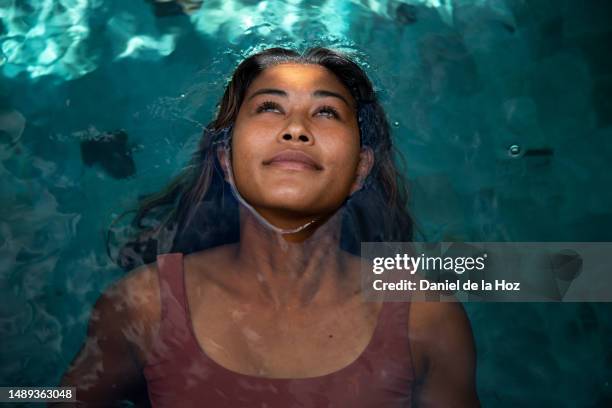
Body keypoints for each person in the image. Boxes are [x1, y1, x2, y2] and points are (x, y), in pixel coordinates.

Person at [56, 47, 480, 407]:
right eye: (269, 107)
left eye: (326, 112)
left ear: (360, 169)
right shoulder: (143, 305)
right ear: (226, 159)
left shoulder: (425, 316)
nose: (296, 129)